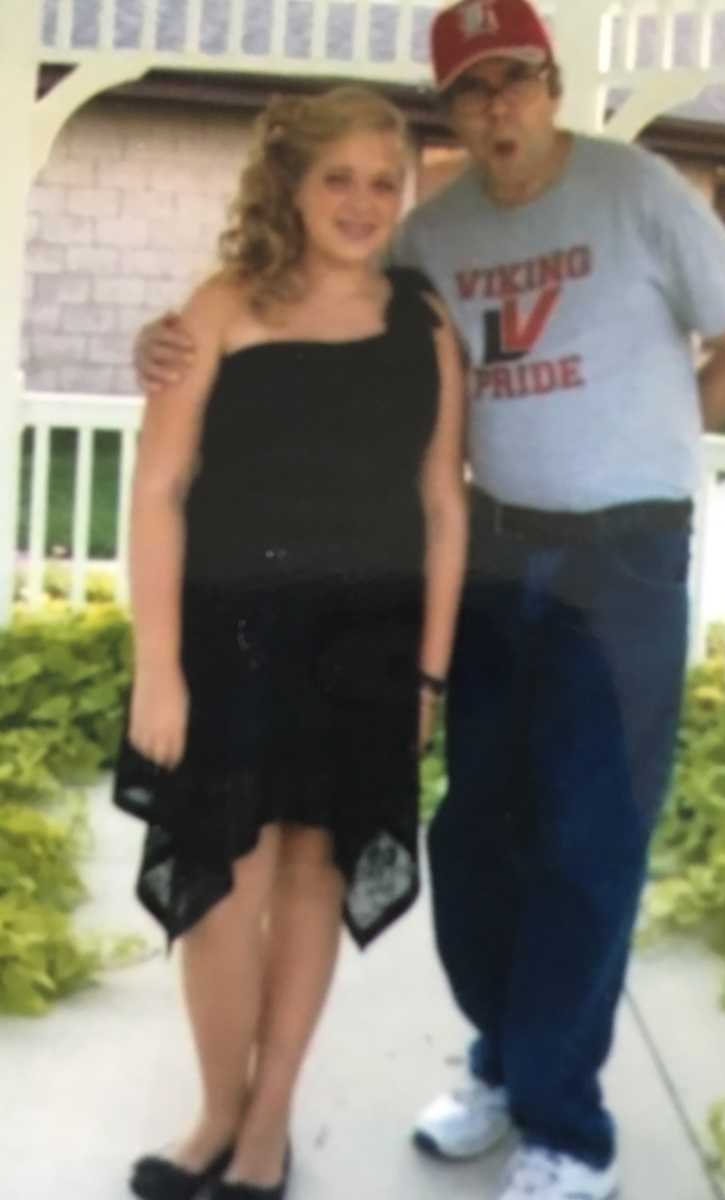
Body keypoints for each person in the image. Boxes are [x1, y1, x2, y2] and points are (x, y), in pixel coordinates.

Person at [135, 2, 725, 1197]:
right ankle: (501, 1063)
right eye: (474, 88)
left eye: (519, 79)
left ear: (552, 82)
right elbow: (304, 300)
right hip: (491, 559)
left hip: (620, 564)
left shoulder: (634, 188)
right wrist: (164, 341)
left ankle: (565, 1125)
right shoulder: (425, 235)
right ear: (453, 109)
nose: (500, 105)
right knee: (479, 837)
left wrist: (654, 451)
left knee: (591, 841)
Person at [116, 85, 467, 1200]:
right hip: (231, 639)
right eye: (339, 178)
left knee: (315, 874)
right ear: (292, 184)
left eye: (384, 180)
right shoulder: (220, 306)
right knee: (224, 888)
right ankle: (217, 1111)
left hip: (366, 644)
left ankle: (269, 1126)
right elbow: (161, 490)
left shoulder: (422, 321)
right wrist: (156, 665)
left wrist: (430, 675)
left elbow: (444, 505)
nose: (364, 202)